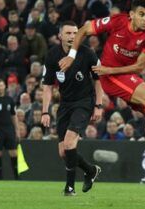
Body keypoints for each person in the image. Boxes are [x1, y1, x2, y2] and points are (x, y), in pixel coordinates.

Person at [58, 0, 145, 182]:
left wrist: (110, 69)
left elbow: (139, 67)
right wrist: (72, 56)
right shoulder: (117, 22)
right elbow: (84, 30)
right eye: (142, 15)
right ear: (132, 14)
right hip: (110, 78)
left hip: (122, 73)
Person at [41, 21, 104, 195]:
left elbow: (99, 80)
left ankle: (69, 188)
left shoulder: (87, 53)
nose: (72, 37)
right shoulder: (52, 55)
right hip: (65, 104)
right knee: (64, 151)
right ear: (60, 35)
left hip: (84, 102)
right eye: (68, 33)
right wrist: (45, 111)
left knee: (69, 142)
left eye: (75, 33)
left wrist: (98, 105)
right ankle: (90, 170)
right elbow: (47, 86)